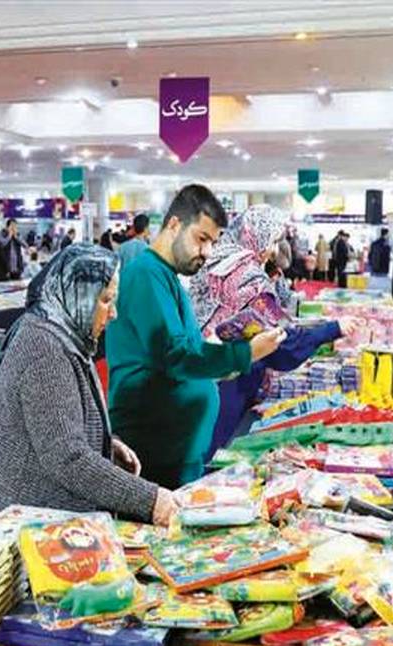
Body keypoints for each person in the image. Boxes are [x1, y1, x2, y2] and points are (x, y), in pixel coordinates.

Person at [0, 244, 177, 524]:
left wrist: (105, 444)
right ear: (76, 294)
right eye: (105, 300)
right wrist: (151, 500)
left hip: (48, 521)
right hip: (32, 528)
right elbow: (67, 458)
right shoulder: (44, 348)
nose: (113, 313)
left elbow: (60, 428)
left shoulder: (64, 335)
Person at [107, 185, 285, 489]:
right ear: (174, 225)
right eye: (201, 239)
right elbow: (175, 355)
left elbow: (182, 349)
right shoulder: (146, 275)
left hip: (174, 450)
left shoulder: (166, 277)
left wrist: (219, 355)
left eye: (213, 242)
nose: (207, 252)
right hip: (153, 452)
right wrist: (246, 353)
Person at [187, 205, 347, 456]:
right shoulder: (248, 276)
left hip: (194, 375)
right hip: (223, 384)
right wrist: (332, 329)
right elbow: (281, 342)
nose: (273, 251)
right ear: (255, 235)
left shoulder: (217, 260)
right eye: (271, 241)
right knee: (209, 458)